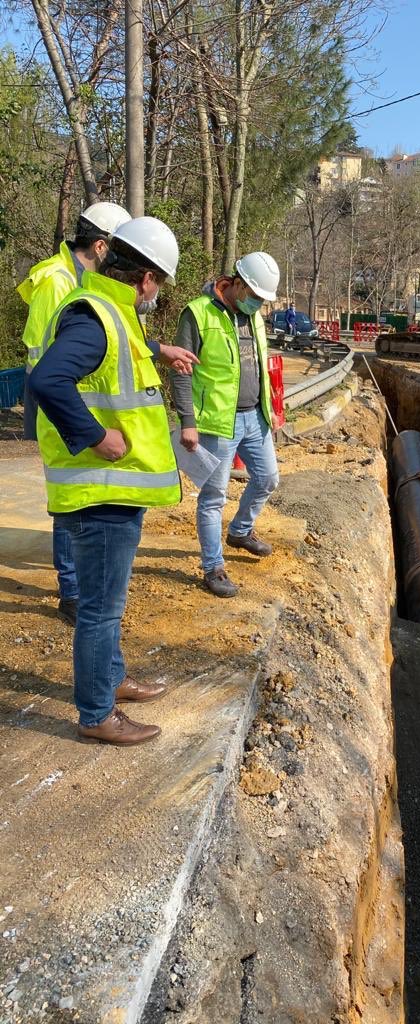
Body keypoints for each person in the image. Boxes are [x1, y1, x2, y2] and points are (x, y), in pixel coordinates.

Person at [29, 217, 198, 747]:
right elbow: (48, 379)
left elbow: (108, 367)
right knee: (100, 610)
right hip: (99, 490)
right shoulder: (97, 317)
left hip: (116, 490)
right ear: (145, 278)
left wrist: (158, 351)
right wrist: (94, 435)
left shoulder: (113, 314)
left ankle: (112, 681)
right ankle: (96, 713)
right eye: (160, 286)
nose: (157, 295)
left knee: (109, 603)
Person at [17, 201, 131, 625]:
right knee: (68, 494)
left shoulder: (83, 278)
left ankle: (78, 582)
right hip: (58, 403)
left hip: (75, 400)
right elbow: (49, 365)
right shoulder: (56, 281)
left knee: (79, 492)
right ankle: (71, 591)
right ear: (101, 246)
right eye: (119, 252)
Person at [171, 251, 281, 599]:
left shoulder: (255, 317)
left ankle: (240, 531)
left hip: (256, 417)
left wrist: (272, 408)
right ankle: (213, 567)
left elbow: (260, 367)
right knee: (213, 496)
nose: (258, 304)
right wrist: (188, 421)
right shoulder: (197, 314)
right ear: (237, 283)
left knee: (267, 478)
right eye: (256, 296)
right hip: (219, 423)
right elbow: (181, 372)